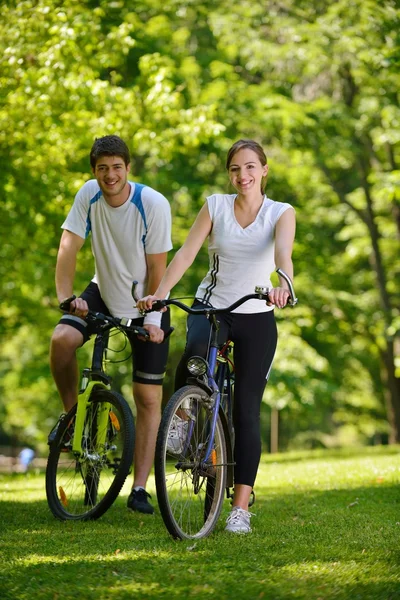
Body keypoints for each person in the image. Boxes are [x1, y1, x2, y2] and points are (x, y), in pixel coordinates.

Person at [137, 139, 296, 533]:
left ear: (263, 170)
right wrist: (160, 295)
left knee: (246, 410)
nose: (242, 176)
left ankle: (240, 507)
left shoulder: (281, 213)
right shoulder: (215, 206)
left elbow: (283, 257)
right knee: (193, 357)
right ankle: (184, 417)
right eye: (234, 169)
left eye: (249, 168)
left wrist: (284, 284)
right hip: (213, 306)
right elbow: (187, 254)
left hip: (256, 312)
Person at [49, 135, 172, 515]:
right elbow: (69, 245)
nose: (110, 175)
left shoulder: (151, 203)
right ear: (94, 171)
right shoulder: (88, 195)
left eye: (117, 167)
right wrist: (67, 297)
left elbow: (157, 269)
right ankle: (73, 420)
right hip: (103, 290)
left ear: (128, 168)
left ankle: (138, 488)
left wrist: (152, 318)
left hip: (147, 300)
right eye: (102, 168)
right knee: (62, 339)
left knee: (147, 397)